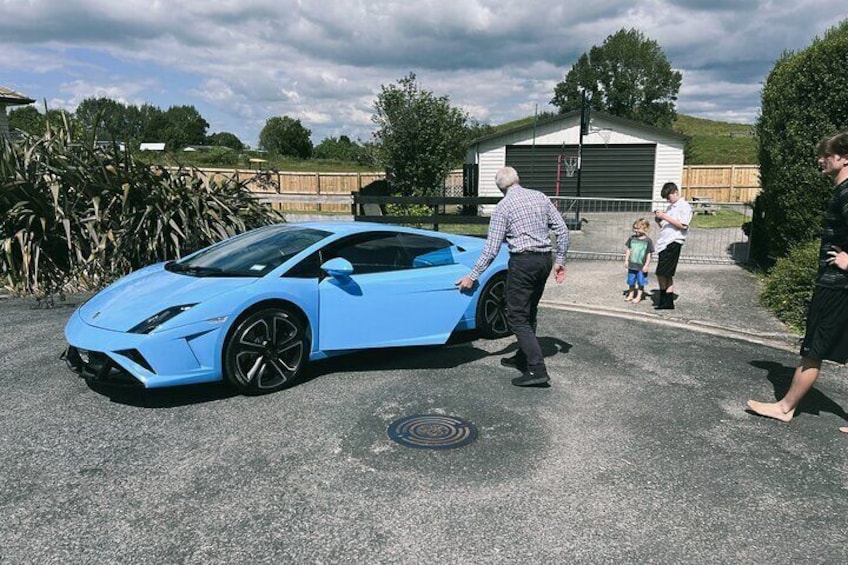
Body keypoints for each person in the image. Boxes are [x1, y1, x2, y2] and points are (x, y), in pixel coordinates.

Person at [747, 132, 848, 434]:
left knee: (814, 348)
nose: (821, 160)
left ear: (844, 157)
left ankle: (785, 407)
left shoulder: (846, 191)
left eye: (826, 155)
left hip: (837, 284)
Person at [456, 166, 569, 387]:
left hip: (523, 262)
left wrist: (472, 275)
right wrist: (560, 260)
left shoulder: (503, 207)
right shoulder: (540, 197)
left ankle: (537, 370)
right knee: (530, 311)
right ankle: (523, 357)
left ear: (501, 187)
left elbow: (491, 249)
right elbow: (562, 230)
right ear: (518, 179)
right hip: (544, 260)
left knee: (516, 316)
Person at [653, 182, 693, 310]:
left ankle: (665, 299)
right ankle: (667, 302)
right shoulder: (671, 207)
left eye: (668, 197)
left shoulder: (684, 206)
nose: (667, 200)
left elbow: (683, 225)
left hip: (673, 242)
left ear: (676, 192)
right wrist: (660, 220)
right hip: (665, 241)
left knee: (661, 272)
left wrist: (664, 216)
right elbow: (666, 225)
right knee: (666, 273)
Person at [623, 218, 654, 304]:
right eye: (635, 228)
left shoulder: (648, 241)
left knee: (641, 282)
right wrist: (626, 260)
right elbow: (628, 249)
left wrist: (647, 265)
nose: (636, 230)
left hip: (641, 266)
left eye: (638, 228)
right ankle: (631, 294)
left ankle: (639, 296)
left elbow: (649, 254)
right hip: (632, 264)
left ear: (645, 229)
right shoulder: (632, 238)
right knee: (631, 280)